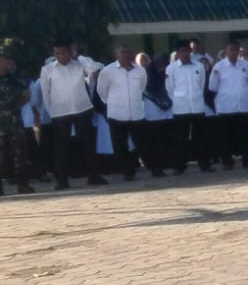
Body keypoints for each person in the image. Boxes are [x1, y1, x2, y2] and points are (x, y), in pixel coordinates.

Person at [38, 39, 105, 189]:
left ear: (70, 51)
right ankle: (62, 180)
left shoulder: (80, 65)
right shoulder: (47, 69)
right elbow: (46, 93)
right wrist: (52, 112)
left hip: (82, 109)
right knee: (61, 148)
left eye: (64, 52)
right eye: (57, 53)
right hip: (60, 113)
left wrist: (79, 56)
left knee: (87, 144)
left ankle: (93, 176)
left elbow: (96, 68)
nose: (61, 56)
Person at [97, 45, 156, 179]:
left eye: (128, 52)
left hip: (136, 114)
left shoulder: (140, 71)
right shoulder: (108, 71)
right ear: (117, 55)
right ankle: (127, 172)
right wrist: (112, 102)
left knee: (144, 143)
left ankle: (153, 168)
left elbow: (142, 87)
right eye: (123, 53)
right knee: (120, 146)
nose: (126, 55)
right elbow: (101, 91)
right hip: (117, 114)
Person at [208, 40, 248, 167]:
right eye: (231, 50)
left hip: (243, 106)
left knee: (245, 136)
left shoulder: (245, 64)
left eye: (236, 50)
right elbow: (212, 87)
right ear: (226, 52)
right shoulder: (219, 67)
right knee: (226, 137)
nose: (234, 52)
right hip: (226, 107)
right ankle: (227, 162)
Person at [165, 41, 212, 173]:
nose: (185, 54)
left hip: (197, 106)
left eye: (187, 51)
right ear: (178, 53)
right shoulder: (172, 68)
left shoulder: (199, 66)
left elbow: (201, 84)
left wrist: (196, 97)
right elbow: (170, 88)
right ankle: (179, 166)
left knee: (201, 137)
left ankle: (204, 164)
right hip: (181, 108)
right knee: (180, 138)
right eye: (182, 51)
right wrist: (178, 99)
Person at [0, 41, 35, 196]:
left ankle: (23, 184)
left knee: (20, 152)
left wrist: (12, 107)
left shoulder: (16, 78)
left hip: (14, 120)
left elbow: (26, 95)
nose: (5, 62)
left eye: (6, 59)